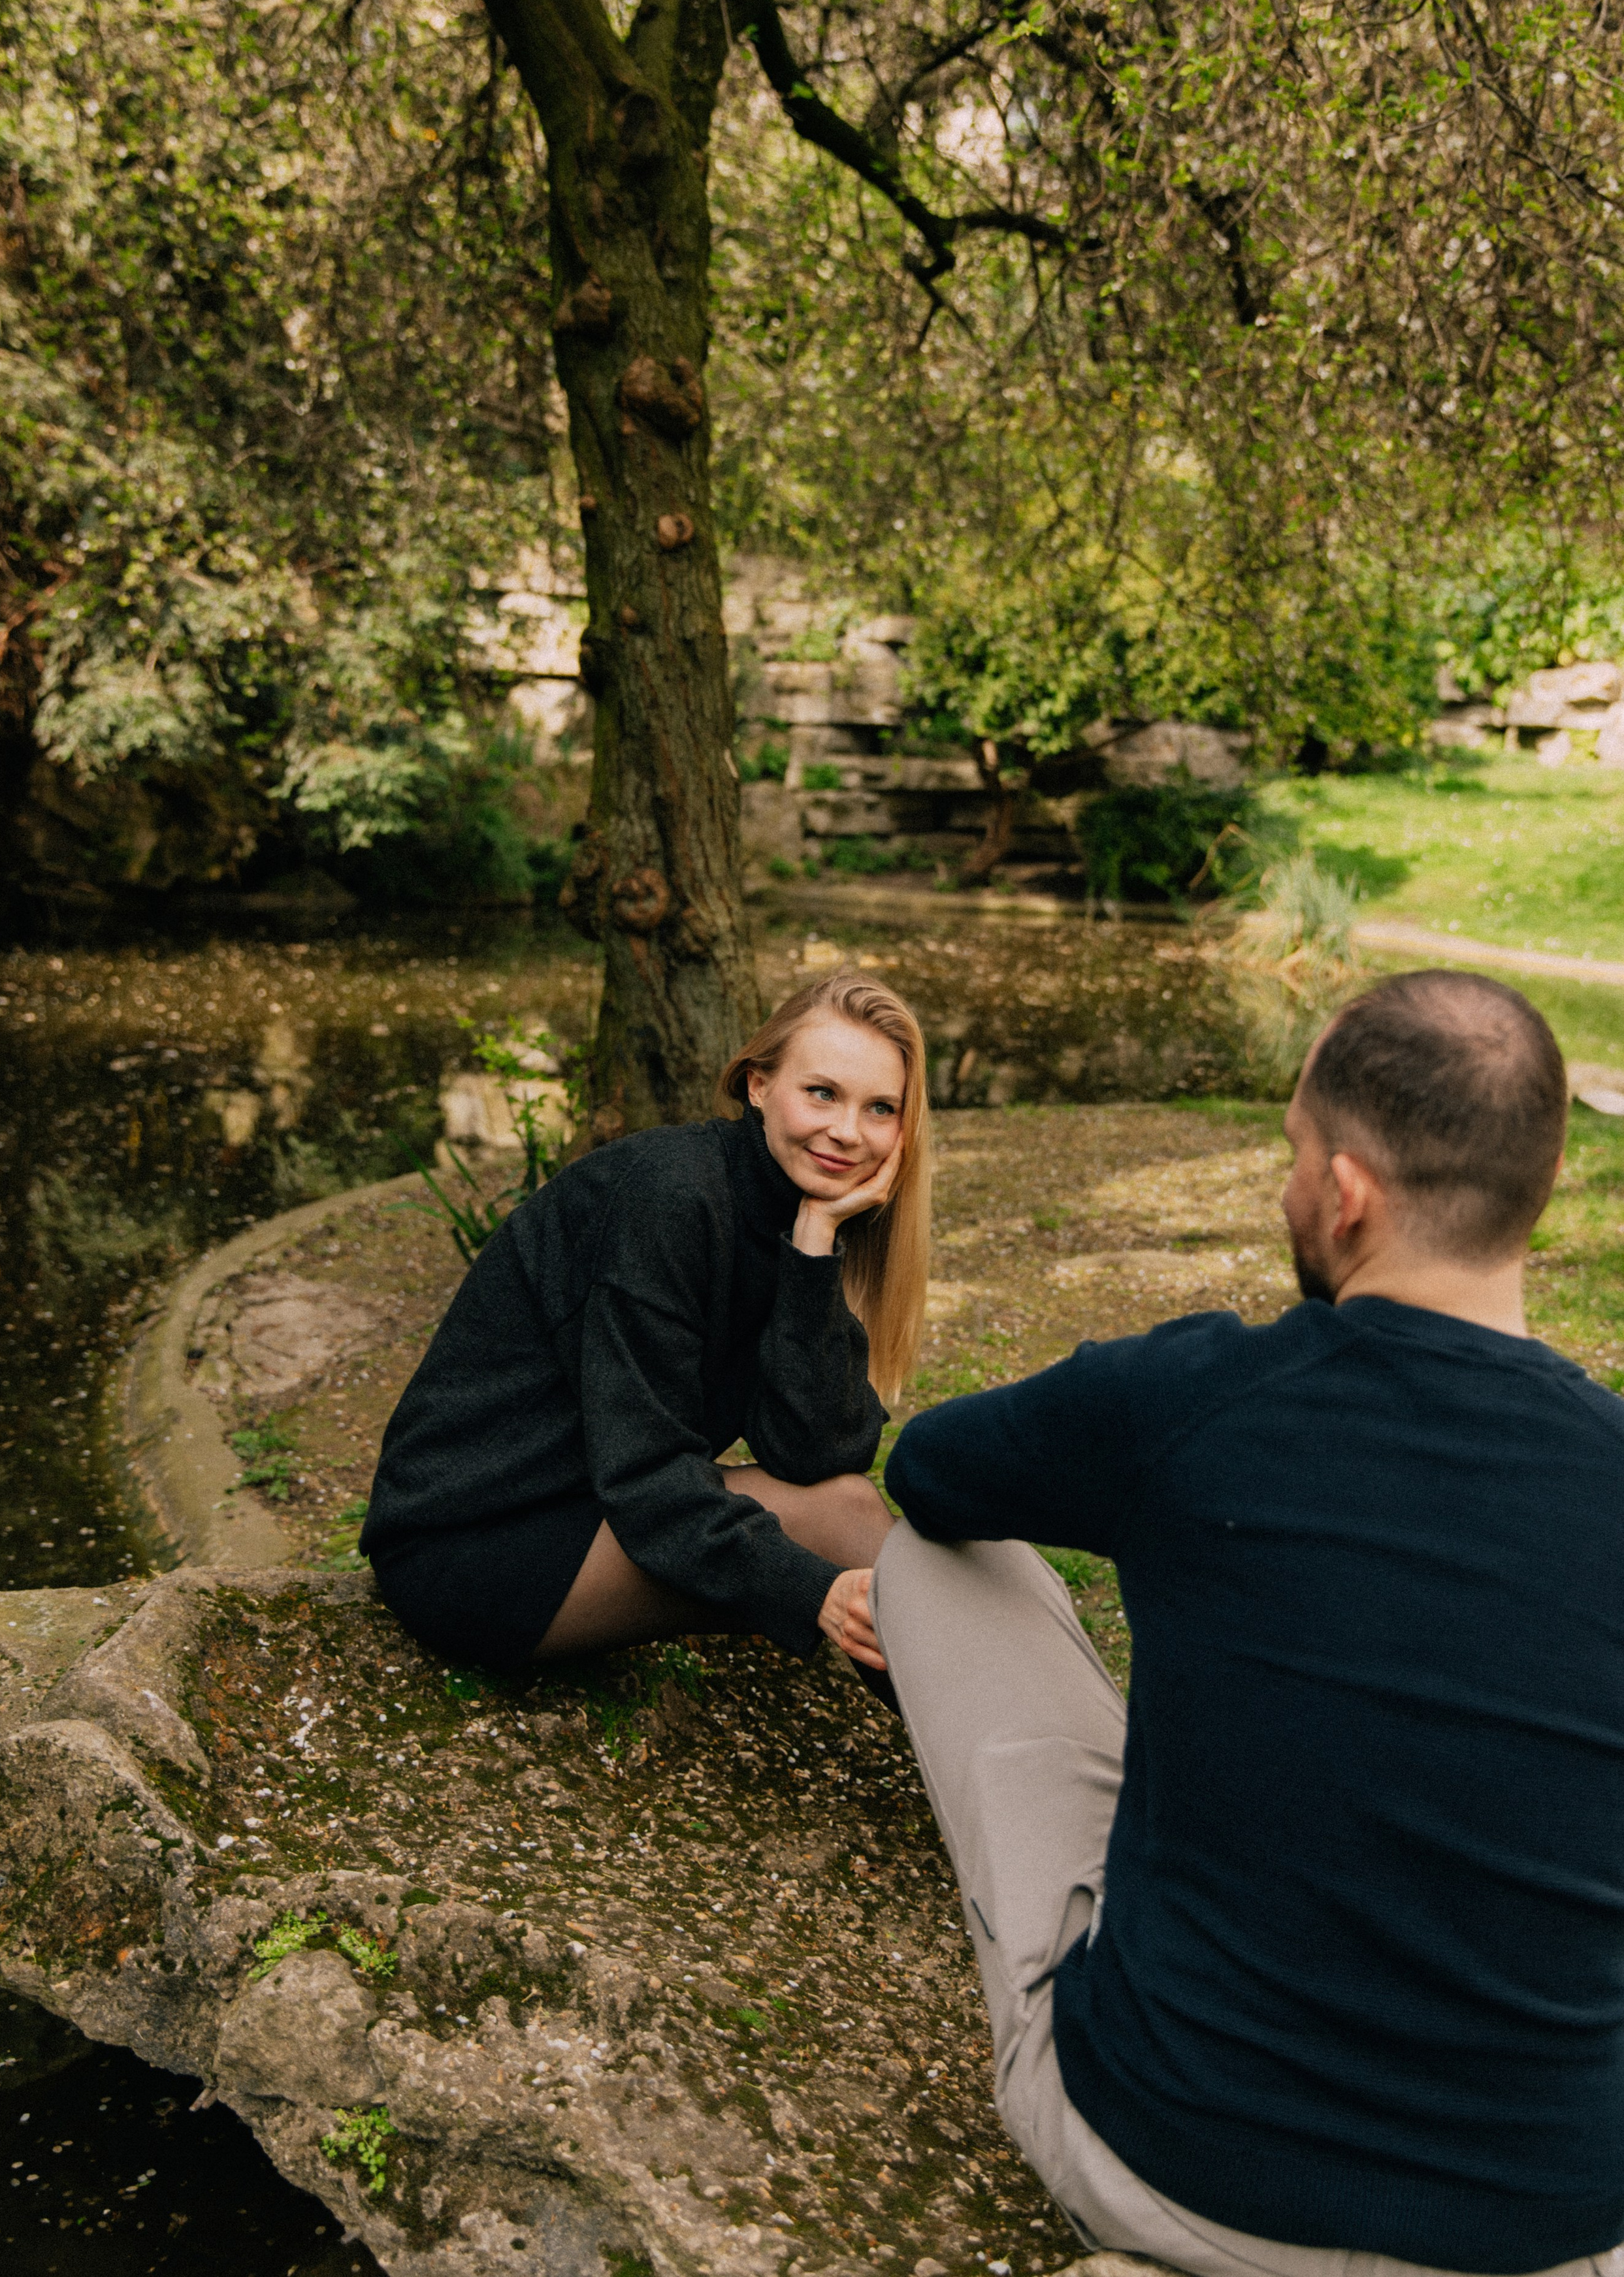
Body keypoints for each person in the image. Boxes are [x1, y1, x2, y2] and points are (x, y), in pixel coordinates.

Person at [875, 969, 1624, 2277]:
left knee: (918, 1565)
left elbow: (930, 1473)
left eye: (1289, 1153)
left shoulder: (1195, 1395)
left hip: (1178, 2171)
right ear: (1533, 1191)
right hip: (1542, 2232)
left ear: (1343, 1193)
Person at [361, 970, 926, 1676]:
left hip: (590, 1499)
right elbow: (647, 1471)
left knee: (843, 1506)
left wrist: (814, 1247)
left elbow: (817, 1456)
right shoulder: (671, 1198)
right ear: (757, 1085)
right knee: (842, 1531)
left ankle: (998, 1754)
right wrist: (810, 1589)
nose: (847, 1131)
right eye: (822, 1093)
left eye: (880, 1109)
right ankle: (1004, 1770)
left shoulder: (792, 1213)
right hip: (477, 1538)